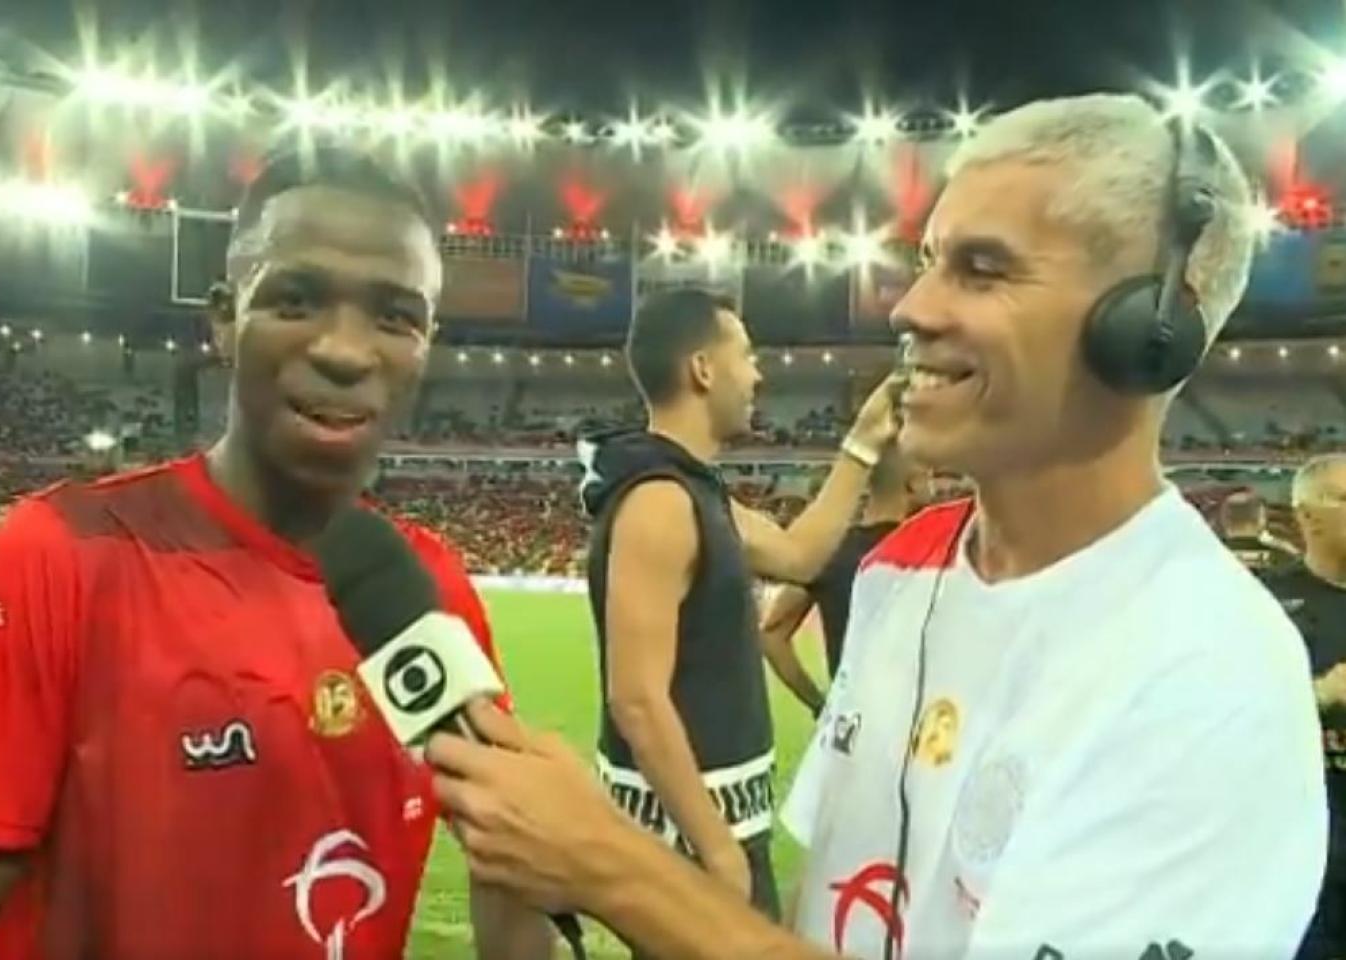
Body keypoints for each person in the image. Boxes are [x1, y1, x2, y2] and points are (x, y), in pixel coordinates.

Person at [425, 93, 1326, 959]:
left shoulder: (1211, 669)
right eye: (929, 259)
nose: (910, 307)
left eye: (982, 268)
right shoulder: (900, 573)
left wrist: (612, 865)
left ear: (1149, 328)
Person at [0, 148, 553, 960]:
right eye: (296, 300)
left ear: (427, 345)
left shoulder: (425, 589)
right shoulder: (64, 553)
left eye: (395, 316)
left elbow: (512, 859)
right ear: (224, 319)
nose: (345, 349)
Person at [576, 287, 897, 931]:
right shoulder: (659, 502)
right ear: (702, 369)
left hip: (710, 826)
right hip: (691, 837)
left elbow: (799, 555)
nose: (758, 373)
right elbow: (635, 700)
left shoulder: (694, 491)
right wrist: (717, 848)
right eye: (746, 355)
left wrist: (862, 444)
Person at [760, 449, 929, 713]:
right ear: (913, 483)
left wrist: (819, 705)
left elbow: (772, 634)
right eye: (928, 476)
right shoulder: (937, 549)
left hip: (851, 725)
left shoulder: (830, 551)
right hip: (920, 719)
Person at [1265, 454, 1346, 960]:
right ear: (1307, 515)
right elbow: (1218, 719)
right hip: (1307, 859)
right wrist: (1323, 696)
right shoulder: (1265, 606)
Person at [1219, 487, 1300, 572]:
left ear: (1223, 519)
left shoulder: (1209, 554)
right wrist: (1288, 548)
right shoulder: (1281, 557)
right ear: (1260, 519)